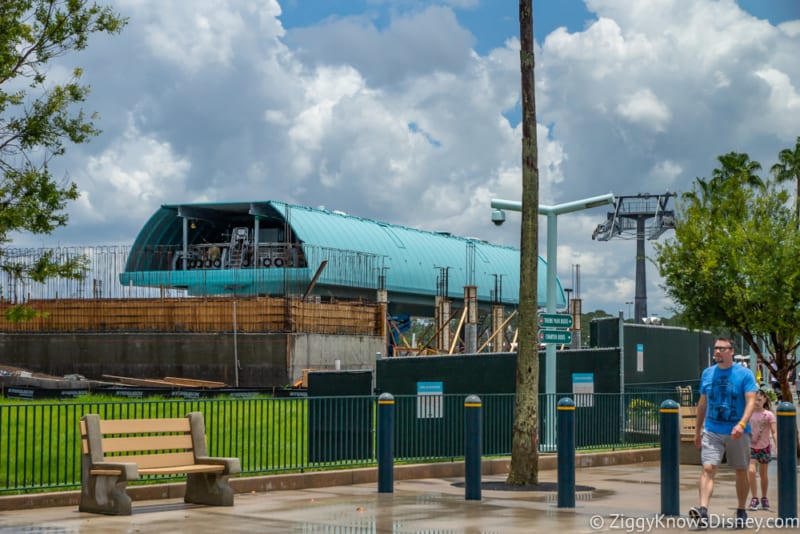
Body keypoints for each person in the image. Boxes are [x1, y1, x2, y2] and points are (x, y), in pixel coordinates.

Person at [688, 336, 758, 529]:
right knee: (708, 469)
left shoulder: (744, 374)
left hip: (738, 431)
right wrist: (697, 431)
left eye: (721, 348)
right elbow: (702, 404)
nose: (717, 351)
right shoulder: (708, 374)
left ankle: (741, 510)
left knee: (741, 470)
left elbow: (751, 401)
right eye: (715, 348)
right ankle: (703, 511)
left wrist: (742, 424)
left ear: (731, 351)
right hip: (712, 429)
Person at [747, 388, 777, 510]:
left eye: (760, 399)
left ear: (765, 400)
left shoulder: (769, 415)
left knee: (763, 474)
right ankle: (754, 497)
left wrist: (777, 444)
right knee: (751, 471)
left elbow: (774, 431)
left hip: (764, 447)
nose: (757, 402)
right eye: (755, 399)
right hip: (751, 447)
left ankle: (764, 497)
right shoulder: (748, 413)